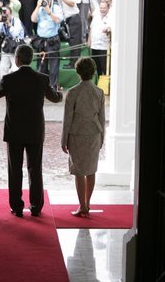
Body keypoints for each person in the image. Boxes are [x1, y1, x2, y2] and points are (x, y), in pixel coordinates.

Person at [0, 45, 63, 217]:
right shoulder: (42, 78)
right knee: (35, 169)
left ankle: (16, 207)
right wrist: (60, 93)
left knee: (15, 169)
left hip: (14, 131)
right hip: (34, 130)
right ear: (31, 59)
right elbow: (55, 98)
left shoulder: (9, 79)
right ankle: (36, 207)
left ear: (16, 59)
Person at [61, 57, 105, 217]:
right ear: (93, 72)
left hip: (77, 133)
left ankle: (82, 205)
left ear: (77, 72)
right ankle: (88, 203)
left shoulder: (72, 92)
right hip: (94, 133)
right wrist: (102, 138)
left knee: (79, 171)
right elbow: (102, 118)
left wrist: (63, 140)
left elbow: (67, 119)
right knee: (91, 170)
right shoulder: (98, 92)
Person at [31, 0, 63, 88]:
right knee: (41, 66)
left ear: (50, 0)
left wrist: (49, 11)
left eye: (47, 0)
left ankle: (53, 87)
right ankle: (41, 87)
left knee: (53, 67)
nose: (45, 2)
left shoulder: (56, 8)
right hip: (41, 41)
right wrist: (37, 6)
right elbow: (33, 19)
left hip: (53, 40)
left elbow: (58, 20)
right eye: (43, 0)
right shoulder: (39, 9)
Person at [56, 0, 82, 69]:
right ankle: (73, 62)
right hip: (69, 20)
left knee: (75, 42)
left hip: (74, 18)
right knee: (72, 41)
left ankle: (74, 64)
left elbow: (72, 3)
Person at [0, 5, 24, 78]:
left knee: (15, 68)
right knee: (3, 67)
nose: (5, 16)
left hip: (16, 45)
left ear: (11, 14)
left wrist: (9, 24)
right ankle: (3, 84)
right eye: (3, 14)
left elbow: (15, 34)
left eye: (7, 14)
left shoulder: (16, 20)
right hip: (7, 45)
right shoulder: (2, 22)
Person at [88, 0, 112, 76]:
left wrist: (108, 29)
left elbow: (111, 29)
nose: (102, 10)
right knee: (96, 68)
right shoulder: (96, 15)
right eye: (101, 8)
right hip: (94, 46)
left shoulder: (111, 18)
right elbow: (91, 28)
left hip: (104, 47)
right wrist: (89, 40)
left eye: (104, 8)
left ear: (108, 8)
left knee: (105, 68)